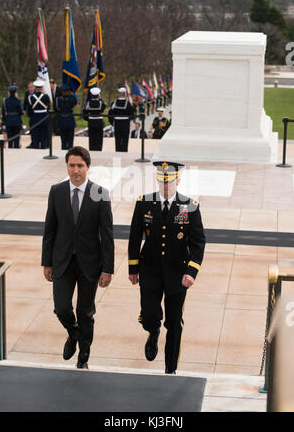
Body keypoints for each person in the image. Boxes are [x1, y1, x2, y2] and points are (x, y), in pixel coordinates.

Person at [128, 161, 206, 374]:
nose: (165, 186)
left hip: (177, 273)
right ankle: (153, 332)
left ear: (177, 180)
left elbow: (198, 242)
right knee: (150, 315)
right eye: (161, 181)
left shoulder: (190, 205)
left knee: (174, 323)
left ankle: (170, 369)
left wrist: (192, 272)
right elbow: (135, 237)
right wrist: (133, 268)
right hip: (150, 270)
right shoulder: (144, 203)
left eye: (169, 181)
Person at [41, 146, 114, 369]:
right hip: (62, 261)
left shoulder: (100, 193)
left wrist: (107, 269)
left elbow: (107, 235)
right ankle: (73, 334)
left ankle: (84, 356)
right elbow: (50, 229)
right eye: (72, 165)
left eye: (80, 166)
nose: (75, 170)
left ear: (88, 167)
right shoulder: (56, 191)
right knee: (61, 308)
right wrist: (47, 262)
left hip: (89, 264)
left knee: (85, 312)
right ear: (67, 166)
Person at [108, 87, 135, 152]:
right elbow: (132, 113)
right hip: (125, 123)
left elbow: (110, 113)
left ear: (119, 94)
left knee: (117, 138)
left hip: (117, 123)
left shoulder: (114, 103)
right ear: (125, 94)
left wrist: (111, 122)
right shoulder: (128, 103)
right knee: (125, 138)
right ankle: (124, 151)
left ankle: (118, 151)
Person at [28, 79, 50, 149]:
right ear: (42, 88)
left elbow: (29, 110)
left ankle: (36, 147)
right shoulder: (46, 97)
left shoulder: (31, 97)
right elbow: (48, 108)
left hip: (35, 117)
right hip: (44, 117)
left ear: (35, 88)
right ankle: (43, 146)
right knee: (44, 134)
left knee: (35, 135)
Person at [83, 87, 106, 151]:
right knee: (99, 138)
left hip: (91, 121)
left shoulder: (88, 103)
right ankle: (98, 149)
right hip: (99, 121)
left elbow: (85, 111)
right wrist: (100, 99)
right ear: (98, 95)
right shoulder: (101, 103)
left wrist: (87, 119)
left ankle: (92, 149)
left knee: (92, 137)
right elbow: (103, 108)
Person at [55, 84, 77, 150]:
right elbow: (74, 104)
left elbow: (57, 109)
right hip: (70, 120)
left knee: (63, 140)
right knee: (70, 140)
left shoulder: (58, 99)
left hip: (62, 120)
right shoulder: (72, 99)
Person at [23, 82, 35, 148]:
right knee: (31, 127)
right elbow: (25, 102)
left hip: (36, 112)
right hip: (30, 113)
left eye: (31, 87)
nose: (30, 88)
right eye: (29, 87)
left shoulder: (36, 93)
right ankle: (33, 142)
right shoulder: (27, 93)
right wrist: (24, 110)